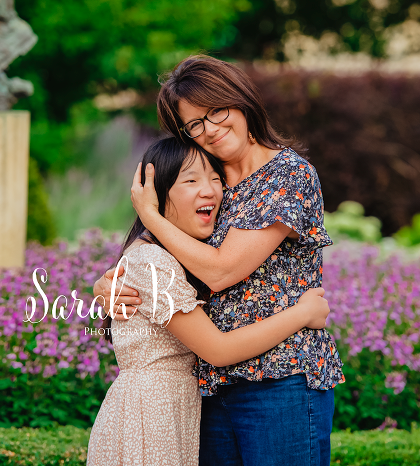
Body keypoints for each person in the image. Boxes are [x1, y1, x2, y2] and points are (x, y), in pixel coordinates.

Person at [94, 55, 344, 466]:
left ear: (242, 102)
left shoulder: (287, 174)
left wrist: (150, 214)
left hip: (280, 380)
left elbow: (221, 270)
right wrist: (109, 283)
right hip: (209, 385)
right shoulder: (208, 178)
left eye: (216, 111)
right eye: (195, 124)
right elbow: (154, 251)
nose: (209, 129)